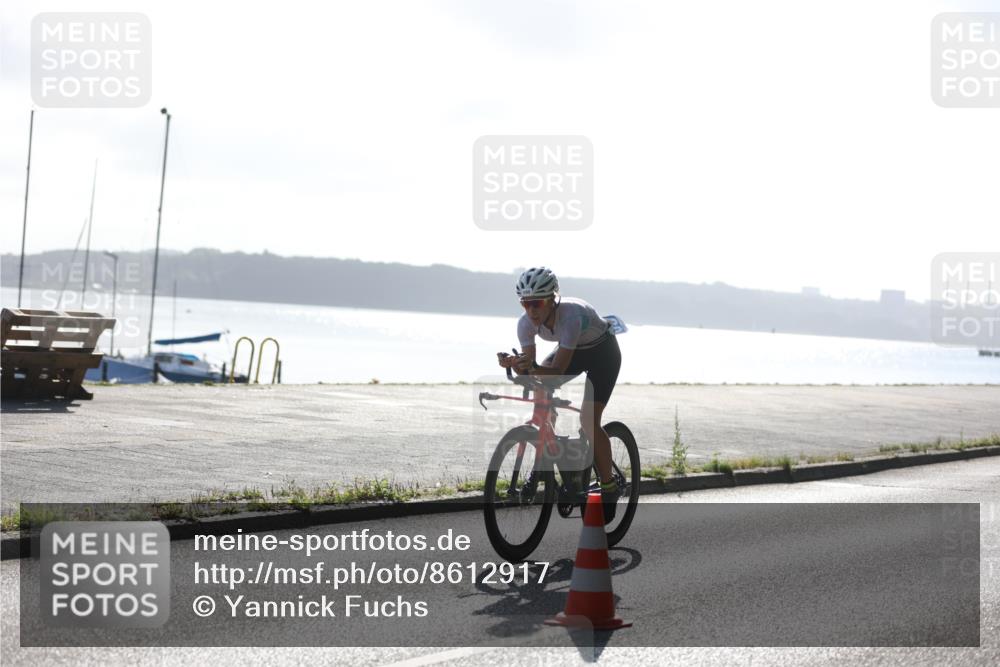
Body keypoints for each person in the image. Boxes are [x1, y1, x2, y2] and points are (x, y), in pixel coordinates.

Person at [497, 266, 623, 523]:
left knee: (588, 421)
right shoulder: (524, 325)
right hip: (573, 349)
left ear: (552, 300)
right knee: (541, 388)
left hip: (603, 353)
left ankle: (609, 485)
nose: (531, 310)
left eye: (537, 303)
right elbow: (533, 368)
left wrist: (530, 367)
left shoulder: (571, 316)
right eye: (525, 304)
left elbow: (557, 370)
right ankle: (546, 452)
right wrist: (516, 364)